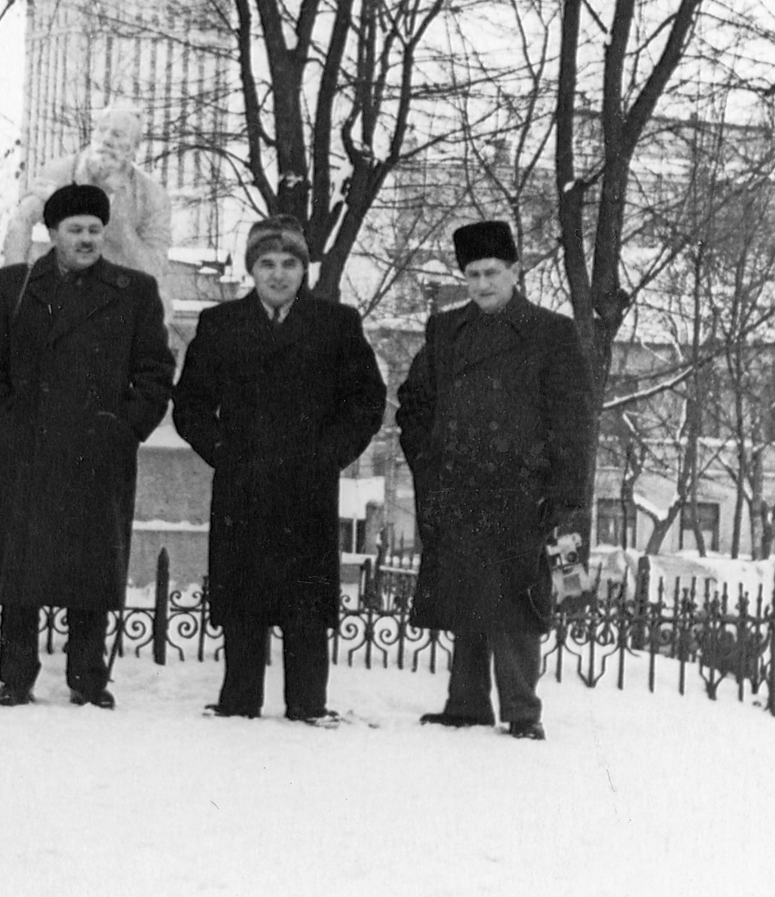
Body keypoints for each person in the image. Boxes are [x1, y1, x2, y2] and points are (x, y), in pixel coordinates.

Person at [0, 183, 175, 709]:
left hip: (98, 450)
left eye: (95, 230)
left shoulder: (134, 290)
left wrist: (124, 430)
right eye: (75, 229)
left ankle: (88, 676)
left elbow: (155, 373)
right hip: (28, 451)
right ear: (52, 233)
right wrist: (5, 430)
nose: (86, 239)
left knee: (92, 567)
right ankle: (16, 676)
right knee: (21, 568)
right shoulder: (13, 286)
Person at [173, 216, 386, 725]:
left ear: (303, 269)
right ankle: (239, 699)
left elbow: (366, 401)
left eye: (289, 263)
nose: (278, 274)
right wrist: (225, 452)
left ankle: (308, 701)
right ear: (252, 269)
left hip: (307, 485)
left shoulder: (336, 324)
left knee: (306, 597)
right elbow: (191, 405)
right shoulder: (221, 324)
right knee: (242, 592)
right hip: (242, 483)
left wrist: (330, 454)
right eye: (266, 263)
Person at [396, 221, 592, 740]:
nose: (482, 284)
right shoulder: (445, 330)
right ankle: (465, 704)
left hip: (524, 491)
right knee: (465, 594)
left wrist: (564, 493)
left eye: (492, 273)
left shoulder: (551, 332)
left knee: (518, 603)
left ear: (515, 271)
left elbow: (574, 418)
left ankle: (523, 711)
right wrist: (427, 460)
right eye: (473, 275)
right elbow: (414, 403)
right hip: (458, 486)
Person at [0, 102, 173, 288]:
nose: (106, 140)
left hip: (118, 296)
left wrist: (124, 233)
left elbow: (155, 270)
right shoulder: (60, 173)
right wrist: (12, 284)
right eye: (102, 130)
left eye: (117, 134)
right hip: (61, 291)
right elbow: (21, 220)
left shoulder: (152, 195)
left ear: (133, 148)